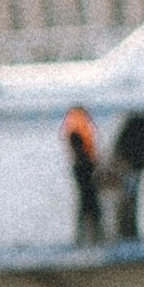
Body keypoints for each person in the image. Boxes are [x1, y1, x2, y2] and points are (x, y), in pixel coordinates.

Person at [62, 105, 105, 245]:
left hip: (82, 164)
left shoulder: (73, 121)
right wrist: (86, 159)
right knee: (89, 199)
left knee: (87, 200)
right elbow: (77, 141)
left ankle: (85, 236)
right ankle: (91, 236)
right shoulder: (78, 121)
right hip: (84, 165)